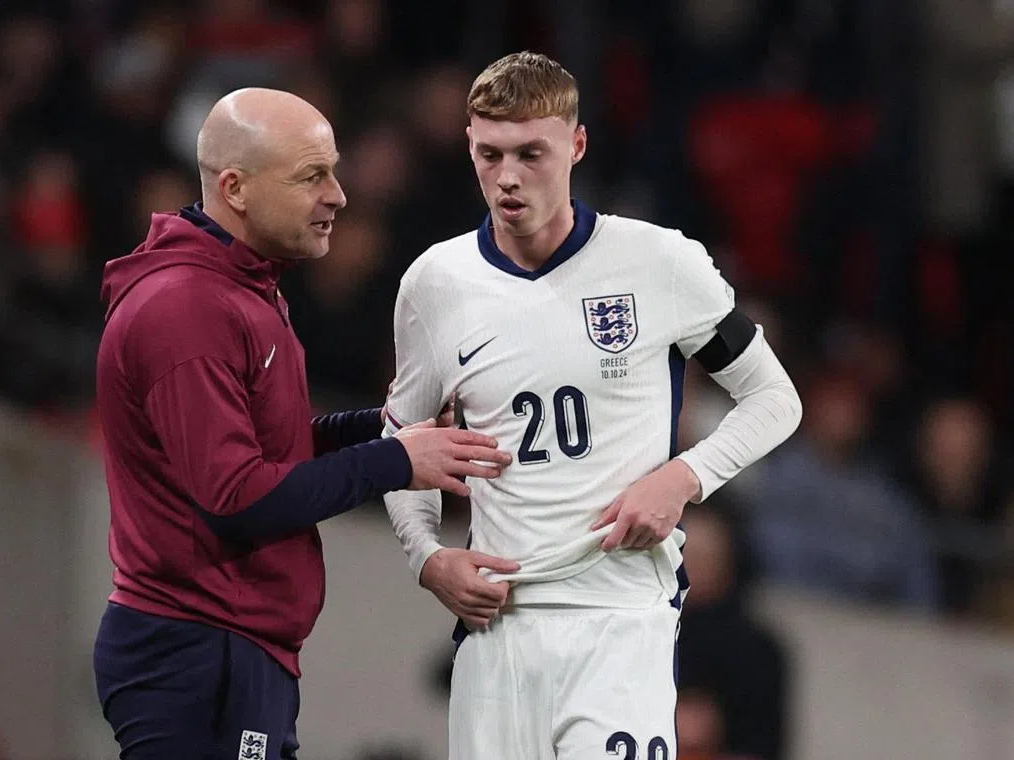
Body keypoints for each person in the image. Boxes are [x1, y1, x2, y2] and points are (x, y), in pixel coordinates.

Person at [381, 53, 803, 760]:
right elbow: (402, 446)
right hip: (499, 628)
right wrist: (428, 558)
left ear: (576, 147)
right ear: (469, 148)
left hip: (619, 616)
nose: (508, 176)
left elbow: (775, 397)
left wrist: (683, 478)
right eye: (490, 154)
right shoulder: (436, 283)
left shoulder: (660, 263)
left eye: (530, 154)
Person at [92, 88, 512, 760]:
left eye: (334, 170)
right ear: (236, 187)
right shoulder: (188, 308)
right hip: (201, 648)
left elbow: (269, 452)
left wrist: (382, 427)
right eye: (311, 175)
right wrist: (397, 461)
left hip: (227, 647)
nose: (338, 195)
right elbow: (236, 496)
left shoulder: (241, 286)